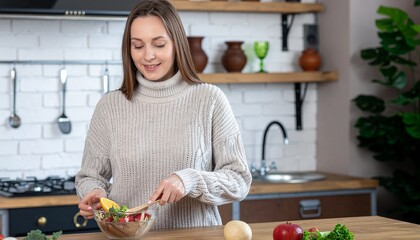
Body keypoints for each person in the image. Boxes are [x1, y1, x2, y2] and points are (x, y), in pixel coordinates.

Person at [75, 0, 252, 229]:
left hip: (197, 236)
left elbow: (239, 179)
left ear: (177, 44)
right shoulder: (110, 106)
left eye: (158, 44)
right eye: (138, 46)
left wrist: (189, 180)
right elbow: (89, 176)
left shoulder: (209, 99)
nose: (148, 55)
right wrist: (94, 193)